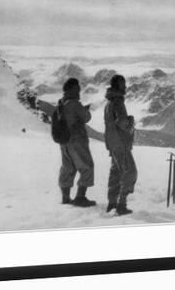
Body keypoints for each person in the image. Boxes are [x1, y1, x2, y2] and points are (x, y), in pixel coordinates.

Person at [57, 78, 96, 207]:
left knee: (68, 168)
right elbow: (86, 118)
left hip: (64, 142)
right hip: (77, 141)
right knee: (87, 166)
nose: (79, 92)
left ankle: (66, 197)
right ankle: (80, 197)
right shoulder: (74, 103)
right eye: (77, 89)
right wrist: (86, 110)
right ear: (73, 90)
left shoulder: (61, 104)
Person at [104, 75, 138, 216]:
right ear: (117, 86)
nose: (125, 87)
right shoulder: (118, 101)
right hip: (120, 143)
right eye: (123, 85)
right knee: (130, 171)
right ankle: (121, 204)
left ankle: (112, 203)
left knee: (116, 173)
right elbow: (122, 123)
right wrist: (130, 121)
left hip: (112, 142)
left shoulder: (109, 102)